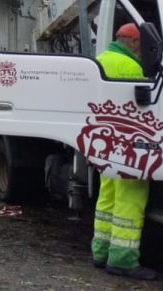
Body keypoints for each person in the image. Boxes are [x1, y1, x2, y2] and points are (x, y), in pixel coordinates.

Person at [92, 23, 156, 280]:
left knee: (106, 198)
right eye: (142, 46)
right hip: (131, 145)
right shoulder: (131, 67)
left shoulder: (100, 60)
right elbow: (146, 108)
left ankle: (100, 252)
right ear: (133, 43)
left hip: (105, 143)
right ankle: (123, 260)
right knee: (130, 201)